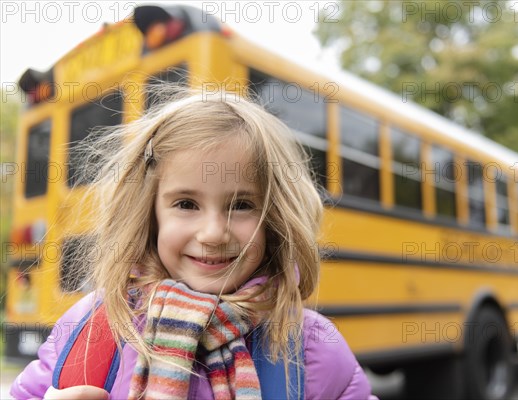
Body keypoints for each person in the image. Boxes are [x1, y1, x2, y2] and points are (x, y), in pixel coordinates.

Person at [11, 89, 376, 399]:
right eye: (186, 204)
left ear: (274, 218)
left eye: (242, 205)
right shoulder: (94, 326)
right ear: (150, 214)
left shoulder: (310, 345)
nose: (213, 233)